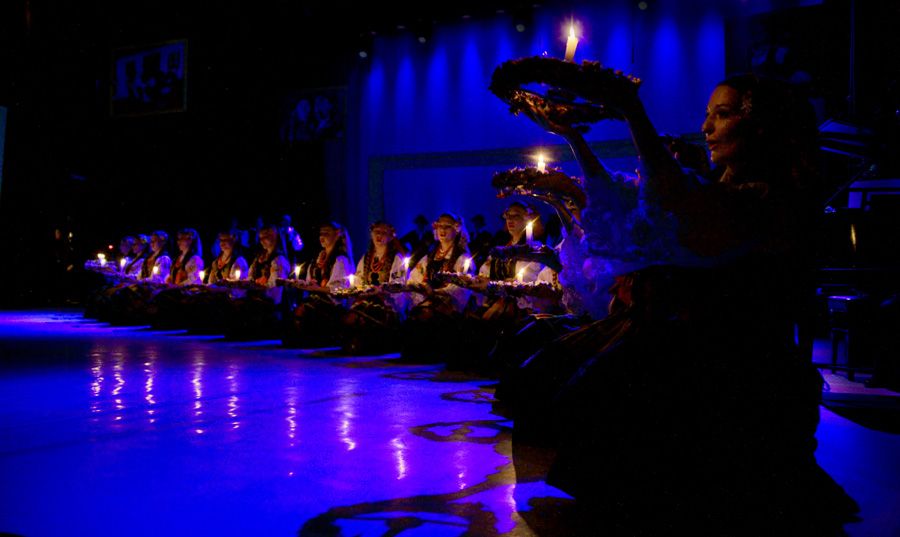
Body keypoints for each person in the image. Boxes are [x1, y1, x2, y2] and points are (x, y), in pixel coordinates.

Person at [503, 66, 855, 534]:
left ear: (762, 125)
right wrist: (574, 139)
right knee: (544, 389)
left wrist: (631, 110)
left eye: (723, 114)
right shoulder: (721, 192)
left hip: (733, 371)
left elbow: (675, 211)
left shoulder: (773, 200)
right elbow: (630, 217)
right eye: (707, 114)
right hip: (684, 347)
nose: (706, 127)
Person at [401, 213, 473, 362]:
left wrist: (435, 292)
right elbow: (416, 275)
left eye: (447, 227)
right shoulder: (431, 255)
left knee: (427, 315)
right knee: (415, 316)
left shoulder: (462, 257)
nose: (442, 230)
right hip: (428, 299)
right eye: (440, 226)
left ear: (456, 230)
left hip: (448, 303)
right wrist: (418, 286)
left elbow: (462, 285)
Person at [339, 221, 408, 353]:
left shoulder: (396, 258)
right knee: (351, 316)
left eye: (383, 233)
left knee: (364, 315)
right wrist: (360, 289)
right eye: (376, 232)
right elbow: (358, 279)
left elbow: (398, 283)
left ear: (390, 237)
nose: (379, 236)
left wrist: (382, 290)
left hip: (386, 301)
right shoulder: (366, 258)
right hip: (367, 298)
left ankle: (368, 344)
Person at [284, 222, 354, 347]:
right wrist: (304, 284)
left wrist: (316, 288)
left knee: (304, 310)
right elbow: (311, 281)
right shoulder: (319, 257)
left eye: (326, 233)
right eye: (321, 233)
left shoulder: (340, 259)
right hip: (317, 300)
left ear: (337, 235)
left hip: (332, 305)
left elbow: (339, 289)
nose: (322, 237)